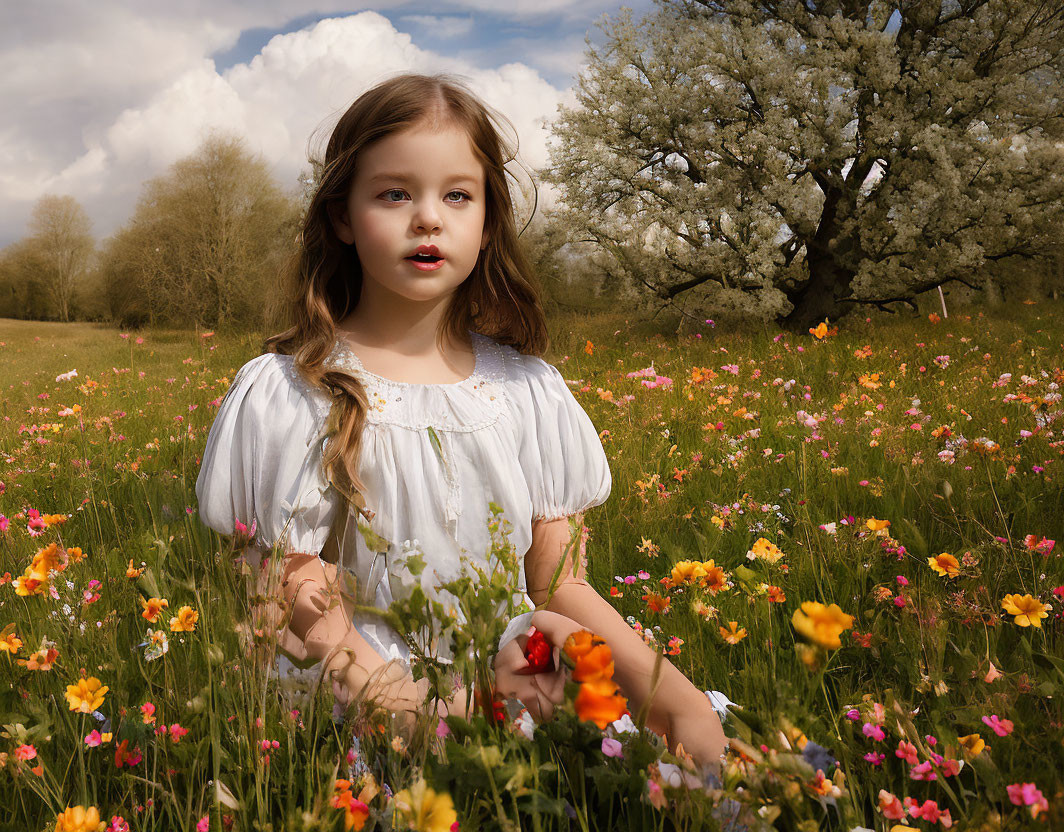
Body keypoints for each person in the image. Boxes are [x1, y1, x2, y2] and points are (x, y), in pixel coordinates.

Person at [193, 72, 729, 768]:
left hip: (514, 681)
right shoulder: (296, 392)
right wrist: (417, 713)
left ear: (486, 220)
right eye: (394, 193)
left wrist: (675, 700)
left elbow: (559, 583)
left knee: (607, 716)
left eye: (457, 195)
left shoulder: (526, 391)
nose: (428, 217)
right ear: (342, 218)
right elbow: (293, 591)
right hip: (365, 693)